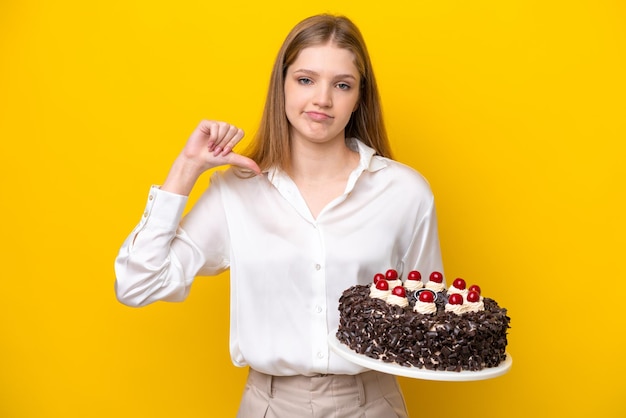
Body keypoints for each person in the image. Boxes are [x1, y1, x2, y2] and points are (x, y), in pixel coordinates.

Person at [115, 13, 444, 418]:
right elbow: (136, 283)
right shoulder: (236, 193)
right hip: (269, 406)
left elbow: (430, 313)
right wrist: (186, 169)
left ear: (359, 96)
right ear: (282, 85)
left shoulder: (405, 193)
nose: (322, 99)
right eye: (305, 80)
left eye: (341, 85)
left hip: (371, 404)